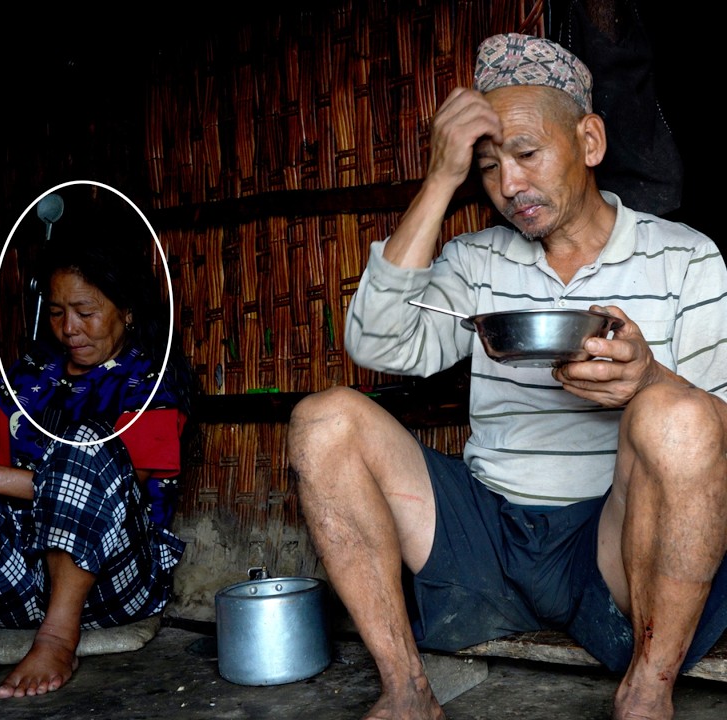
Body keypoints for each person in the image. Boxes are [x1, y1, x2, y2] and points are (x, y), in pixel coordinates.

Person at [286, 33, 727, 720]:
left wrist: (648, 381)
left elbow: (715, 439)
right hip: (486, 528)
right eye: (487, 168)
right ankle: (406, 690)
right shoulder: (474, 262)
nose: (509, 186)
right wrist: (439, 178)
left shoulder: (686, 259)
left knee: (680, 416)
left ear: (588, 141)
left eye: (526, 154)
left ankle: (647, 693)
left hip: (610, 542)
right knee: (323, 419)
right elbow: (375, 342)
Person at [0, 223, 195, 699]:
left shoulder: (149, 383)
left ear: (126, 309)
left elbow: (117, 481)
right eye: (58, 313)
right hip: (19, 585)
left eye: (85, 312)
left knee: (89, 443)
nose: (69, 329)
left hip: (113, 585)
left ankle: (59, 638)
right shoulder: (33, 373)